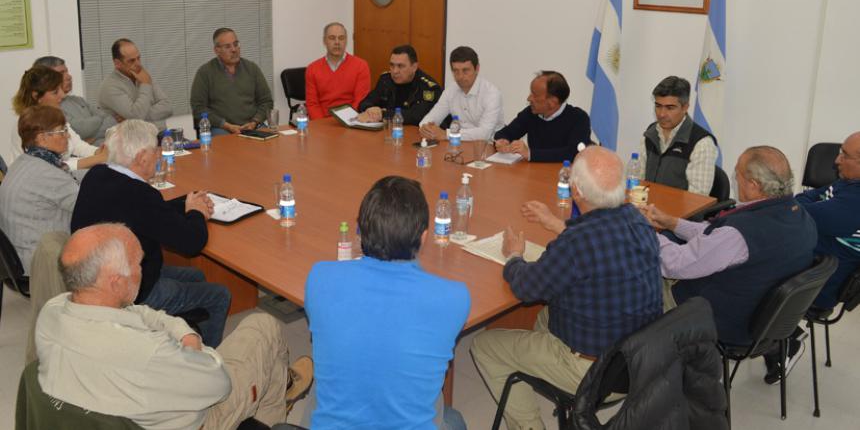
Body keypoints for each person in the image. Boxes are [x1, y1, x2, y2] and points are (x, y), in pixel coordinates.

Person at [35, 223, 313, 430]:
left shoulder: (53, 311)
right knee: (263, 326)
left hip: (123, 403)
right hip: (200, 419)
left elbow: (139, 312)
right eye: (136, 263)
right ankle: (273, 407)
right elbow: (219, 384)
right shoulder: (149, 354)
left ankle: (274, 385)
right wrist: (198, 351)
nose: (142, 269)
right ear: (115, 282)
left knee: (257, 362)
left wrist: (184, 332)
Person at [471, 146, 662, 429]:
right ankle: (547, 374)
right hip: (639, 358)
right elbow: (596, 241)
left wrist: (513, 256)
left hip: (593, 369)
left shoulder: (576, 243)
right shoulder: (638, 220)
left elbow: (525, 288)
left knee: (484, 346)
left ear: (576, 191)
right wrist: (557, 224)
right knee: (544, 316)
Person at [305, 176, 470, 429]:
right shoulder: (455, 298)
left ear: (360, 229)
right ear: (424, 237)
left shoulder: (319, 277)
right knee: (453, 418)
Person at [643, 146, 817, 385]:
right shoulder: (799, 216)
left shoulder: (740, 233)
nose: (735, 179)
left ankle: (637, 364)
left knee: (640, 274)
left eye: (738, 175)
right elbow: (716, 237)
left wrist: (646, 232)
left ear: (754, 185)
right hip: (759, 319)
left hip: (719, 318)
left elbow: (675, 264)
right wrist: (672, 223)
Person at [70, 119, 231, 347]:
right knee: (219, 294)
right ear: (142, 157)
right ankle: (204, 362)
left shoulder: (98, 175)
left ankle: (174, 335)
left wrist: (188, 202)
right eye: (155, 150)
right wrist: (196, 213)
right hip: (131, 292)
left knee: (197, 277)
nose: (159, 154)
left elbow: (151, 213)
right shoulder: (138, 194)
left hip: (97, 278)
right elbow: (192, 242)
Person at [0, 106, 78, 280]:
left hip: (17, 260)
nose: (68, 136)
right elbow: (86, 208)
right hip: (40, 263)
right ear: (42, 138)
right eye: (62, 131)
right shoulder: (49, 175)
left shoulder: (24, 162)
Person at [797, 132, 860, 310]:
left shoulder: (855, 200)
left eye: (845, 155)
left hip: (810, 288)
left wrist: (797, 207)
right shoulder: (849, 182)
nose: (837, 160)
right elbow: (804, 197)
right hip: (807, 271)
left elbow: (798, 213)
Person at [11, 66, 107, 171]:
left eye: (61, 88)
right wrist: (98, 159)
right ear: (36, 96)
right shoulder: (26, 125)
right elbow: (51, 165)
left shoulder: (55, 116)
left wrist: (99, 152)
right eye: (55, 92)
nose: (62, 95)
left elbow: (77, 145)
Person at [638, 76, 719, 195]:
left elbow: (696, 199)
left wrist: (662, 213)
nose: (661, 114)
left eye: (670, 108)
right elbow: (637, 180)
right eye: (658, 106)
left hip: (678, 213)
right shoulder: (650, 133)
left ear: (685, 107)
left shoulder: (702, 143)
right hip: (647, 208)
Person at [190, 27, 274, 135]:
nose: (234, 49)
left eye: (236, 44)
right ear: (217, 50)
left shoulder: (252, 68)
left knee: (271, 145)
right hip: (221, 128)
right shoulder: (205, 72)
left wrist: (254, 122)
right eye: (227, 46)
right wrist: (226, 125)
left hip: (252, 126)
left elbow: (266, 101)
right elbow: (198, 108)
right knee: (229, 148)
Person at [493, 71, 592, 162]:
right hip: (534, 173)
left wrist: (530, 154)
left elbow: (574, 153)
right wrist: (503, 141)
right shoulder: (530, 113)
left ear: (552, 102)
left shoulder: (579, 118)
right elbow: (505, 133)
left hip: (563, 176)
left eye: (535, 95)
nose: (529, 98)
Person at [419, 46, 504, 142]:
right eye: (456, 71)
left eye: (465, 70)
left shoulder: (492, 94)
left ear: (477, 69)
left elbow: (484, 134)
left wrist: (446, 134)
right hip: (458, 144)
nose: (460, 77)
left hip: (489, 146)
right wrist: (425, 128)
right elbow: (431, 117)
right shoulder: (450, 91)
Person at [34, 55, 116, 145]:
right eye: (61, 73)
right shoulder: (48, 109)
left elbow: (111, 121)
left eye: (67, 71)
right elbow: (80, 130)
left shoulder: (78, 100)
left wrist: (91, 138)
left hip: (105, 148)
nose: (69, 77)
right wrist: (101, 118)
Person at [356, 44, 441, 126]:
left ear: (414, 67)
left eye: (401, 66)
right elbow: (365, 102)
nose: (395, 71)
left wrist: (383, 114)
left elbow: (417, 116)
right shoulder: (385, 80)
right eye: (392, 65)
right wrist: (370, 109)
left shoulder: (428, 88)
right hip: (388, 132)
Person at [98, 38, 173, 130]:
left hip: (159, 134)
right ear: (117, 63)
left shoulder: (141, 74)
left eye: (138, 58)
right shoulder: (109, 87)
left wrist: (134, 118)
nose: (138, 64)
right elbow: (136, 115)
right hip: (130, 141)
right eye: (131, 61)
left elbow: (168, 107)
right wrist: (145, 85)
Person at [304, 22, 371, 120]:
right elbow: (312, 104)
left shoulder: (361, 66)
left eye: (341, 38)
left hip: (351, 121)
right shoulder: (312, 69)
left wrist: (347, 121)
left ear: (346, 41)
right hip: (322, 122)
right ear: (324, 41)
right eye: (332, 38)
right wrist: (321, 125)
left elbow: (360, 101)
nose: (337, 42)